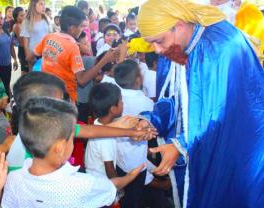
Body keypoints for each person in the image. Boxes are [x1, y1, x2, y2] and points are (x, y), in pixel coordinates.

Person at [137, 0, 264, 207]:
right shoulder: (177, 46)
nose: (157, 50)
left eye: (159, 41)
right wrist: (150, 120)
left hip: (240, 147)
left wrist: (180, 145)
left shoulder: (222, 47)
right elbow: (178, 99)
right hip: (209, 145)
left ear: (179, 25)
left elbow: (221, 111)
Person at [1, 97, 145, 207]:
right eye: (72, 138)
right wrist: (131, 176)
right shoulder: (81, 185)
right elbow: (112, 186)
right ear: (61, 148)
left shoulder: (13, 178)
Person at [34, 6, 117, 103]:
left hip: (47, 92)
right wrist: (105, 60)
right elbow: (81, 80)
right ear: (72, 28)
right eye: (81, 26)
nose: (83, 29)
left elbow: (31, 56)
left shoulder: (49, 37)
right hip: (65, 99)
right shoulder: (72, 47)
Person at [113, 60, 154, 208]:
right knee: (134, 198)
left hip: (116, 157)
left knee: (123, 197)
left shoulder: (114, 97)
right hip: (137, 162)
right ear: (138, 79)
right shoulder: (147, 103)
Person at [85, 83, 123, 178]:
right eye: (121, 101)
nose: (123, 103)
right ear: (113, 110)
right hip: (101, 182)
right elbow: (109, 169)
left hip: (92, 175)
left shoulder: (97, 123)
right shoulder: (106, 138)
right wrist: (118, 189)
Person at [21, 0, 50, 68]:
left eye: (44, 4)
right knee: (34, 77)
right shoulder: (27, 22)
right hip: (34, 55)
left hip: (46, 54)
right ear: (34, 5)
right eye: (41, 4)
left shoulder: (46, 20)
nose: (44, 7)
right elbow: (26, 43)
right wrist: (29, 58)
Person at [76, 31, 95, 123]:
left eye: (88, 42)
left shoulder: (74, 58)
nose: (88, 45)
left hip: (78, 100)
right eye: (85, 43)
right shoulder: (87, 60)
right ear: (77, 45)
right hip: (83, 100)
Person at [12, 7, 29, 74]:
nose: (24, 16)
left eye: (24, 14)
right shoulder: (17, 26)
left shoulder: (23, 24)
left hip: (26, 49)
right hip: (23, 50)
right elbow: (22, 43)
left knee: (28, 71)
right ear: (16, 17)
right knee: (25, 71)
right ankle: (22, 84)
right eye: (21, 15)